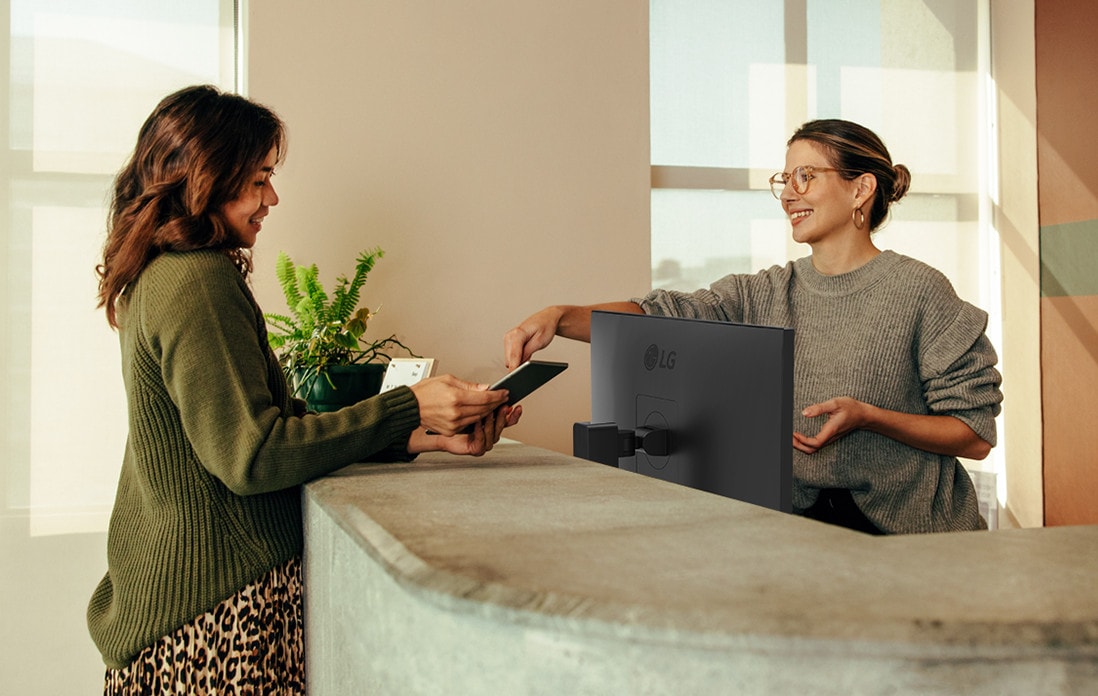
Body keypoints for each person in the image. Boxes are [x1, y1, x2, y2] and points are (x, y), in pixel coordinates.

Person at [88, 84, 520, 694]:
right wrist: (408, 404)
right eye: (259, 178)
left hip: (187, 605)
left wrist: (421, 436)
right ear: (210, 176)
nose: (273, 197)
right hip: (214, 617)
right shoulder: (197, 282)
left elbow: (276, 428)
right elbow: (254, 455)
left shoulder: (165, 276)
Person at [505, 118, 1002, 536]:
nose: (788, 194)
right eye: (783, 180)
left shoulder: (920, 291)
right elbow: (662, 315)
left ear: (861, 188)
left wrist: (870, 417)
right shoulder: (766, 291)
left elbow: (973, 435)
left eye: (805, 176)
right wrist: (561, 316)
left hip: (913, 541)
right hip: (799, 529)